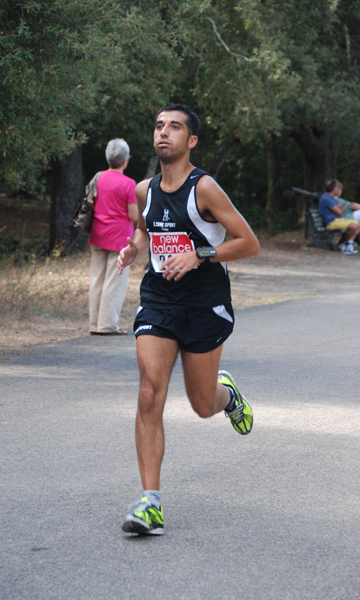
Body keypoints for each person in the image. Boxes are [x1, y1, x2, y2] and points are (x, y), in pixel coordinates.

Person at [117, 103, 260, 535]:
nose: (164, 133)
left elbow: (248, 242)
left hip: (204, 301)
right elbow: (145, 228)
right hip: (159, 297)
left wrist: (199, 254)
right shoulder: (143, 190)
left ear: (191, 140)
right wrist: (133, 246)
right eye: (159, 126)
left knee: (201, 404)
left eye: (174, 127)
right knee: (148, 393)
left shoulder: (206, 189)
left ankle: (227, 396)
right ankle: (150, 504)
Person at [88, 138, 138, 335]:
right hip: (120, 239)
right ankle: (107, 325)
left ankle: (94, 324)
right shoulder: (129, 184)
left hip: (97, 234)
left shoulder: (97, 178)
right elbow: (133, 215)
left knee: (97, 280)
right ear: (125, 161)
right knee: (114, 282)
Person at [318, 179, 360, 255]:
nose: (340, 190)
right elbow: (339, 211)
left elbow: (341, 210)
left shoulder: (332, 198)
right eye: (339, 188)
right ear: (334, 188)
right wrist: (338, 209)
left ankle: (347, 244)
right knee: (354, 226)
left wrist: (338, 209)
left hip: (338, 219)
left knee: (358, 224)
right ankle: (346, 244)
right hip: (331, 222)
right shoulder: (327, 198)